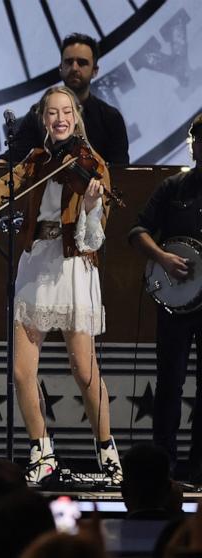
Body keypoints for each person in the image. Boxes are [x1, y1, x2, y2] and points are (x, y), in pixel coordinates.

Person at [0, 86, 123, 485]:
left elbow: (95, 236)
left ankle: (108, 452)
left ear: (75, 117)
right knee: (22, 372)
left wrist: (92, 206)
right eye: (51, 113)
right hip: (35, 264)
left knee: (83, 367)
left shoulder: (93, 164)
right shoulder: (36, 160)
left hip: (73, 265)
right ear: (44, 120)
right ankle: (42, 453)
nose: (59, 118)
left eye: (66, 112)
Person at [129, 113, 202, 480]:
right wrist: (162, 258)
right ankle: (164, 460)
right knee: (169, 379)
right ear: (194, 145)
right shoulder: (172, 188)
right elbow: (138, 230)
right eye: (200, 140)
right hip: (175, 300)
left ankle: (198, 464)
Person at [1, 33, 129, 166]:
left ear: (95, 71)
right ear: (60, 68)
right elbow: (12, 157)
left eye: (82, 63)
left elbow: (121, 173)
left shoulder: (110, 118)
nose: (74, 68)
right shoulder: (38, 113)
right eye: (68, 62)